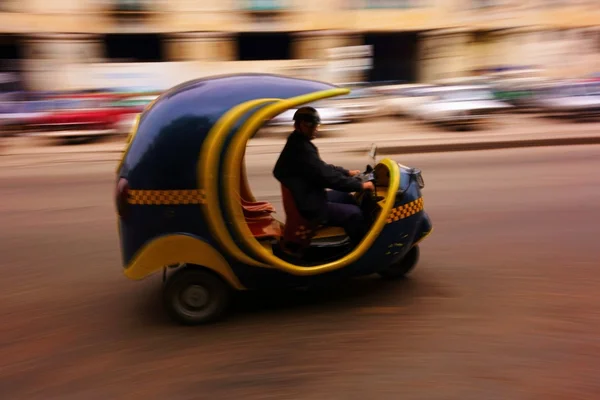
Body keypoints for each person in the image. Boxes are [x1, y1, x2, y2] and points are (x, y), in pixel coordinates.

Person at [273, 106, 374, 246]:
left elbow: (321, 168)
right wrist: (360, 185)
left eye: (316, 125)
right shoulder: (302, 149)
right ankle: (363, 249)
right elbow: (327, 177)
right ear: (301, 125)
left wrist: (346, 172)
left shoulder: (297, 142)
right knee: (354, 214)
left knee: (346, 196)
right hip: (310, 205)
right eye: (312, 125)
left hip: (308, 196)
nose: (316, 129)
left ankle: (348, 236)